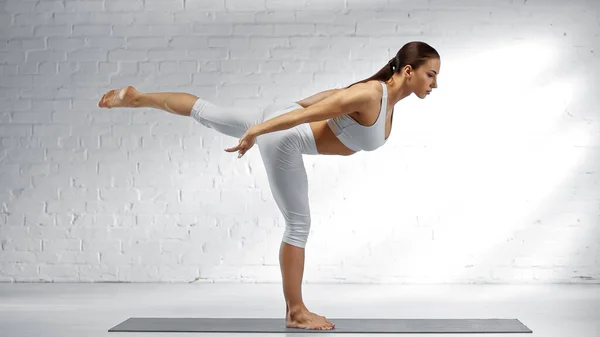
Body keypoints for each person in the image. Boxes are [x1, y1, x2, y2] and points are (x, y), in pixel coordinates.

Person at [98, 41, 440, 331]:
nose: (434, 83)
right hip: (285, 137)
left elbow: (328, 97)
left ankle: (137, 98)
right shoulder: (370, 95)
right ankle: (295, 311)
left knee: (206, 111)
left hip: (279, 118)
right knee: (299, 224)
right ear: (408, 71)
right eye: (431, 75)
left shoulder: (378, 97)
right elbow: (308, 116)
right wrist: (260, 130)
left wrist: (272, 117)